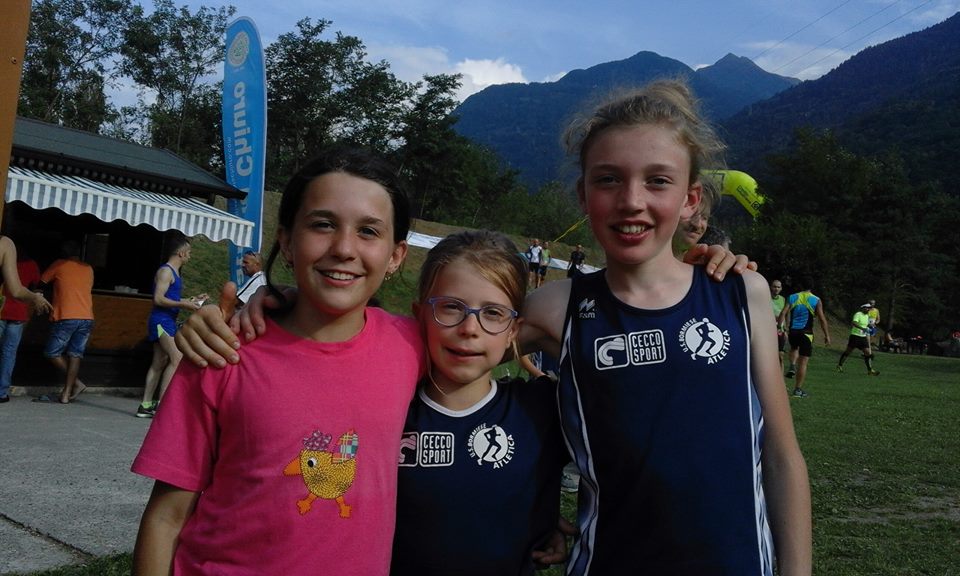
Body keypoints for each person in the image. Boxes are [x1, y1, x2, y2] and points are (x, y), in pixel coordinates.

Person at [515, 79, 811, 575]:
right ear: (583, 194)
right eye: (608, 179)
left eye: (657, 181)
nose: (631, 200)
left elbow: (781, 457)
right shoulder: (556, 306)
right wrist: (525, 504)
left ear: (691, 198)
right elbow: (443, 357)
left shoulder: (741, 293)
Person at [132, 146, 423, 575]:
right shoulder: (221, 350)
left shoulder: (412, 344)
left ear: (396, 256)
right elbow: (166, 517)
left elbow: (510, 325)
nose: (344, 248)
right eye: (323, 224)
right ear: (286, 241)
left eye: (368, 231)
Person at [391, 230, 569, 575]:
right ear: (419, 315)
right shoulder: (385, 409)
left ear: (514, 330)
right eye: (450, 307)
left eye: (493, 313)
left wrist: (541, 512)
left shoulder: (542, 409)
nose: (470, 328)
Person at [137, 235, 205, 418]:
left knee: (159, 362)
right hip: (161, 321)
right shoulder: (166, 272)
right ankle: (162, 405)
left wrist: (191, 300)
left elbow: (171, 298)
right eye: (189, 253)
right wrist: (184, 304)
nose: (189, 256)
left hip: (167, 320)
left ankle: (145, 405)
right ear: (181, 253)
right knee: (177, 357)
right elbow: (158, 299)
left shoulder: (174, 272)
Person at [39, 240, 94, 404]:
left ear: (65, 249)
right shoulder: (88, 268)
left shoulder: (59, 264)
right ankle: (66, 394)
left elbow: (41, 283)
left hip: (67, 315)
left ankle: (76, 383)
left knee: (52, 352)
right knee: (75, 354)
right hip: (87, 316)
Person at [0, 251, 43, 403]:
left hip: (1, 310)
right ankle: (1, 392)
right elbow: (36, 286)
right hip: (18, 312)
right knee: (9, 354)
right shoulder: (32, 265)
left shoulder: (5, 258)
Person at [778, 276, 831, 398]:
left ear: (801, 286)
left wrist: (780, 327)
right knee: (803, 363)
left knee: (794, 348)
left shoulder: (792, 297)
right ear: (812, 287)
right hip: (806, 333)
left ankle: (792, 365)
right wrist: (827, 335)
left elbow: (783, 312)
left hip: (793, 332)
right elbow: (822, 319)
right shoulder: (816, 300)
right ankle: (797, 390)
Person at [837, 303, 880, 375]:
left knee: (867, 353)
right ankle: (839, 365)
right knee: (848, 352)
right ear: (863, 308)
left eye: (869, 308)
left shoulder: (867, 316)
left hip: (863, 337)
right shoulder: (858, 314)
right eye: (867, 308)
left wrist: (870, 326)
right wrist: (862, 328)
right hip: (855, 336)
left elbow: (866, 324)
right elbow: (854, 323)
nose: (868, 309)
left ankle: (870, 370)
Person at [770, 279, 787, 368]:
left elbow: (784, 315)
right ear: (771, 287)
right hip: (768, 330)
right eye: (774, 287)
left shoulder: (783, 299)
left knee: (781, 356)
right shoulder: (765, 298)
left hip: (780, 330)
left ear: (781, 288)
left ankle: (781, 376)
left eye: (778, 287)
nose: (776, 289)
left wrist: (785, 330)